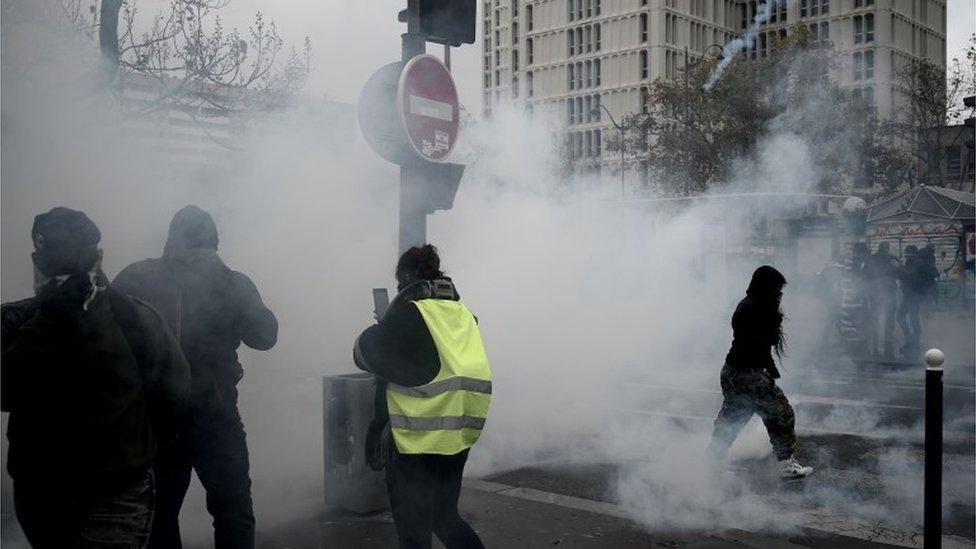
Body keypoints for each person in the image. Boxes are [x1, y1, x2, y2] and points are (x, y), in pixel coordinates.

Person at [2, 207, 190, 548]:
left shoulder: (17, 321)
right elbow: (172, 393)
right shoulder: (135, 317)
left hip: (52, 490)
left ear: (37, 262)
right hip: (111, 490)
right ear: (99, 257)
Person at [112, 206, 278, 549]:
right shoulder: (231, 282)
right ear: (214, 244)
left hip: (156, 420)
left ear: (171, 240)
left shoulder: (136, 277)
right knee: (232, 512)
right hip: (215, 418)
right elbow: (265, 336)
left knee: (159, 515)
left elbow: (108, 336)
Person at [354, 245, 490, 549]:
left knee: (413, 532)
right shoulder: (464, 314)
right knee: (444, 517)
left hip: (414, 441)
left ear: (405, 278)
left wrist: (387, 321)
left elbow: (363, 352)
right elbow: (433, 361)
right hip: (455, 437)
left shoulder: (409, 314)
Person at [707, 266, 813, 479]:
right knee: (781, 413)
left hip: (733, 370)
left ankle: (713, 460)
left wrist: (770, 369)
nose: (779, 293)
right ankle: (786, 465)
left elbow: (760, 344)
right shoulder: (758, 308)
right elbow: (762, 342)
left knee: (733, 416)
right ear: (766, 286)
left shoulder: (749, 304)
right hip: (748, 373)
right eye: (777, 288)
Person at [897, 245, 939, 359]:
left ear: (912, 254)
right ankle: (911, 341)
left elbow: (912, 277)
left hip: (914, 295)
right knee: (902, 317)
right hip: (909, 295)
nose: (906, 256)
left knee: (912, 320)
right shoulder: (912, 263)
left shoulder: (919, 263)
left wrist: (900, 270)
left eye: (907, 254)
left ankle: (914, 344)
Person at [865, 242, 900, 358]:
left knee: (874, 320)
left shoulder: (871, 259)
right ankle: (888, 351)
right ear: (888, 248)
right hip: (889, 292)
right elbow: (899, 274)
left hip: (875, 293)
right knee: (889, 322)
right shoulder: (892, 259)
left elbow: (865, 275)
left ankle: (874, 349)